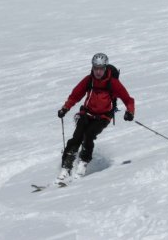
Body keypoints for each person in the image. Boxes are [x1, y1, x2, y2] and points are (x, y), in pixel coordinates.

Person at [56, 53, 135, 182]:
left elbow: (128, 99)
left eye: (101, 68)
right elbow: (75, 95)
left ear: (105, 68)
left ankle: (83, 163)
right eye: (95, 68)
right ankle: (65, 167)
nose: (98, 71)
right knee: (77, 137)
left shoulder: (113, 83)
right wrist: (65, 108)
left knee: (89, 134)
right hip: (86, 113)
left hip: (103, 117)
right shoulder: (89, 80)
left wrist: (130, 112)